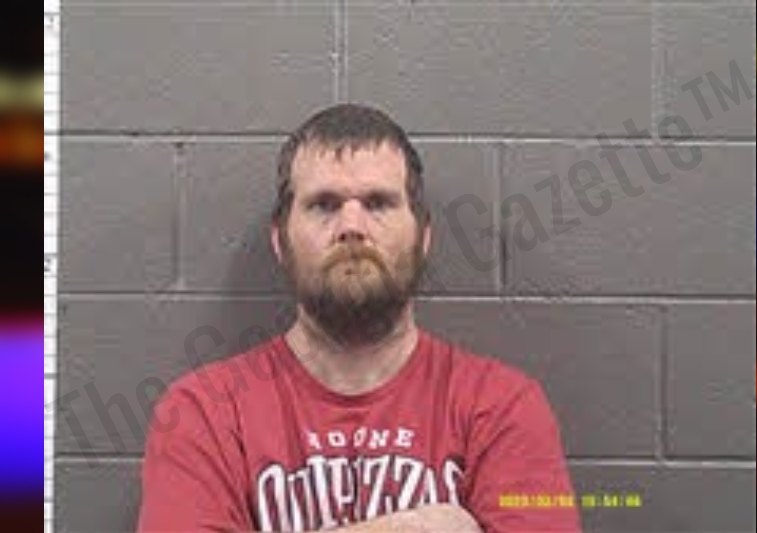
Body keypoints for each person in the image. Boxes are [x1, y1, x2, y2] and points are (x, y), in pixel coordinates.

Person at [136, 104, 582, 533]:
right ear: (280, 240)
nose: (352, 227)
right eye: (324, 205)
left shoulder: (501, 408)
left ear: (423, 236)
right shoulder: (205, 412)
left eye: (378, 203)